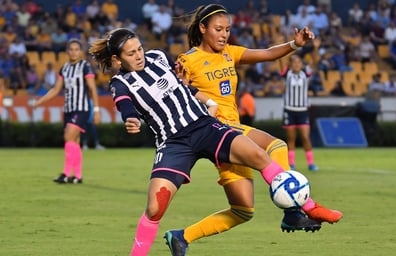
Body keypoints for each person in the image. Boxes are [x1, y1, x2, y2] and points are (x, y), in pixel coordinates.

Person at [89, 27, 307, 256]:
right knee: (154, 209)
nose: (139, 55)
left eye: (139, 49)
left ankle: (298, 210)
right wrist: (130, 118)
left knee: (259, 156)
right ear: (117, 59)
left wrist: (209, 102)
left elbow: (181, 86)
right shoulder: (120, 83)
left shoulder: (159, 57)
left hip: (204, 126)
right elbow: (125, 104)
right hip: (173, 142)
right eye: (131, 53)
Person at [172, 3, 342, 255]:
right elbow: (178, 95)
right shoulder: (188, 60)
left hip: (234, 128)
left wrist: (294, 44)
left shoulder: (230, 53)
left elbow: (267, 54)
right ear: (202, 28)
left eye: (227, 29)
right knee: (277, 145)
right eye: (218, 29)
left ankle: (181, 236)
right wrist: (184, 85)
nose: (224, 34)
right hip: (216, 132)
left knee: (243, 211)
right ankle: (299, 209)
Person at [33, 39, 101, 184]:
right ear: (67, 51)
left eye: (77, 49)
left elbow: (92, 89)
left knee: (68, 137)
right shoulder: (64, 69)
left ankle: (65, 173)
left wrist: (96, 110)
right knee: (74, 142)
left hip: (81, 108)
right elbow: (56, 90)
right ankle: (77, 176)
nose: (74, 52)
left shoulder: (85, 67)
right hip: (68, 108)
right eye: (71, 49)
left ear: (81, 51)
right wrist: (40, 101)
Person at [282, 55, 319, 171]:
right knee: (291, 138)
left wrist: (315, 49)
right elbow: (280, 62)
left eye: (299, 62)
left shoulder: (305, 75)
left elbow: (315, 63)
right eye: (294, 62)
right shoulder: (287, 74)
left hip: (303, 110)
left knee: (305, 137)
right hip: (289, 110)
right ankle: (291, 164)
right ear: (290, 64)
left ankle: (311, 163)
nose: (297, 64)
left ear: (302, 65)